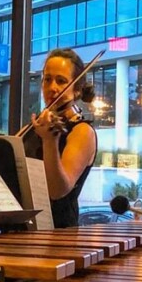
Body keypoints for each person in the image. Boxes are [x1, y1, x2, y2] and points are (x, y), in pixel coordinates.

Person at [22, 48, 97, 228]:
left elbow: (57, 190)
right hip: (22, 232)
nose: (52, 87)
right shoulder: (31, 129)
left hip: (58, 235)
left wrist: (50, 141)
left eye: (61, 81)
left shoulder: (82, 131)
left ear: (77, 90)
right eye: (47, 80)